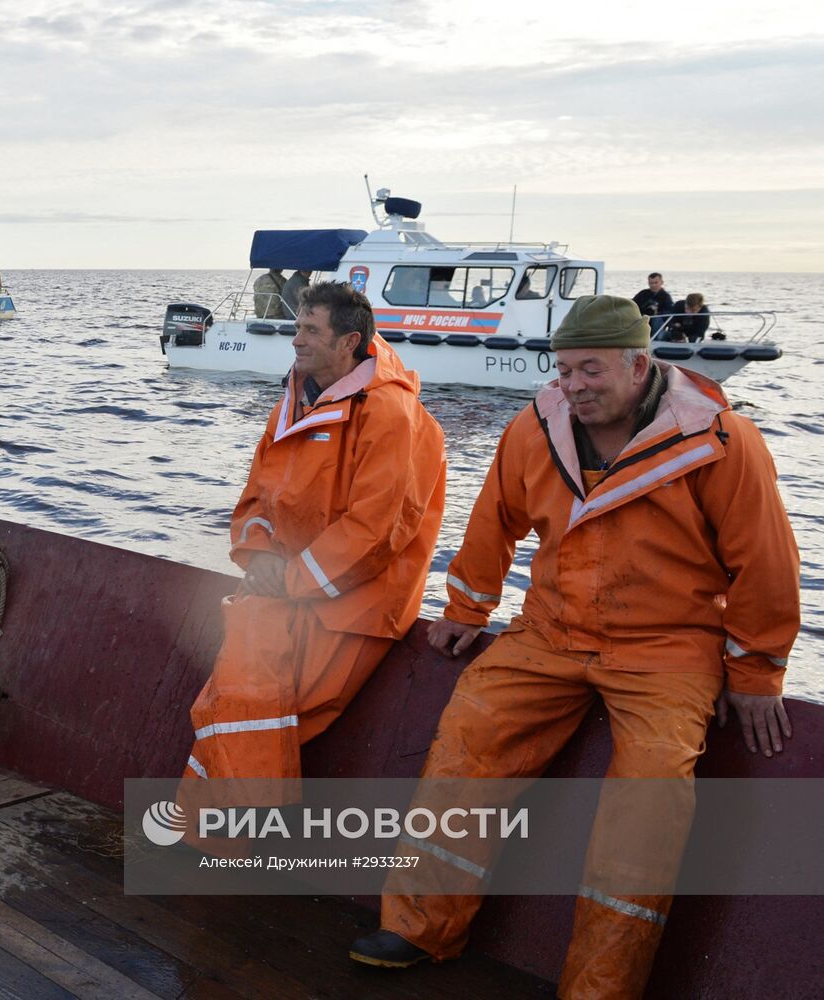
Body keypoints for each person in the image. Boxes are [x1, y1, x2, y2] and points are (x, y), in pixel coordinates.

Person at [352, 295, 800, 999]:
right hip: (551, 632)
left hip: (667, 647)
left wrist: (754, 672)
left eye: (590, 369)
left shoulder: (721, 442)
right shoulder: (535, 427)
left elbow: (765, 565)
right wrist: (468, 607)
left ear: (638, 365)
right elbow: (492, 516)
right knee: (469, 733)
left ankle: (599, 987)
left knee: (649, 797)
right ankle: (419, 927)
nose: (574, 386)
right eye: (563, 370)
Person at [181, 282, 446, 798]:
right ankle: (218, 839)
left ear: (349, 342)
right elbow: (258, 493)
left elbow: (378, 531)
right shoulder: (295, 401)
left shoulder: (390, 414)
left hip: (357, 606)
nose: (295, 340)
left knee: (269, 713)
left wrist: (291, 579)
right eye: (296, 327)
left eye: (309, 330)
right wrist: (259, 558)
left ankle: (232, 840)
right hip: (288, 588)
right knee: (233, 702)